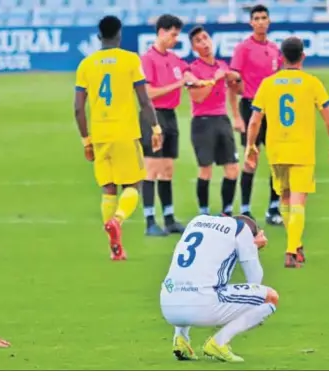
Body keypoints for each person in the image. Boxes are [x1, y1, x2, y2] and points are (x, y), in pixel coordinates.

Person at [245, 37, 329, 268]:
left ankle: (296, 244)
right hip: (301, 150)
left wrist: (251, 145)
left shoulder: (268, 83)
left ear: (281, 58)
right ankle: (291, 250)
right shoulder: (312, 83)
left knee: (286, 199)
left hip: (277, 150)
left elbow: (254, 120)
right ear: (303, 57)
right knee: (298, 201)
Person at [74, 15, 162, 261]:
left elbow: (78, 109)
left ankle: (116, 248)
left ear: (99, 36)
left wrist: (86, 141)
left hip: (100, 134)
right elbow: (144, 100)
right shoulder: (130, 60)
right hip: (125, 132)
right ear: (119, 34)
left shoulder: (86, 65)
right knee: (134, 185)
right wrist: (155, 128)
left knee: (108, 189)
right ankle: (118, 220)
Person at [160, 214, 276, 363]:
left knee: (190, 279)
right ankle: (219, 342)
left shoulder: (197, 220)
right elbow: (255, 281)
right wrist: (252, 247)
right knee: (270, 297)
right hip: (202, 307)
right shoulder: (241, 230)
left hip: (168, 305)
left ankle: (180, 339)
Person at [140, 14, 193, 236]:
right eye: (173, 35)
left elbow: (188, 70)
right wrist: (179, 83)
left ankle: (169, 218)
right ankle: (150, 220)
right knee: (152, 168)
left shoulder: (173, 59)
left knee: (168, 169)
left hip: (170, 116)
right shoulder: (147, 59)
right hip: (152, 116)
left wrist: (190, 76)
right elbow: (149, 92)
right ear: (161, 32)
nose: (175, 39)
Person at [229, 5, 283, 225]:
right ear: (251, 23)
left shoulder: (273, 49)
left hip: (272, 109)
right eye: (256, 18)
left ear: (269, 21)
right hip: (251, 107)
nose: (260, 21)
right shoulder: (243, 48)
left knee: (276, 160)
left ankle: (273, 208)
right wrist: (237, 115)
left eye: (264, 18)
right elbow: (233, 81)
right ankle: (245, 209)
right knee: (251, 159)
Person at [186, 26, 242, 216]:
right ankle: (204, 212)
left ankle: (226, 211)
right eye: (199, 41)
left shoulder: (222, 65)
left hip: (222, 120)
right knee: (205, 171)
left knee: (233, 169)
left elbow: (235, 87)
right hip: (202, 122)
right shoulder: (192, 70)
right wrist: (213, 79)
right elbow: (198, 97)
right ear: (194, 48)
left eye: (206, 38)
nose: (204, 43)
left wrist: (235, 77)